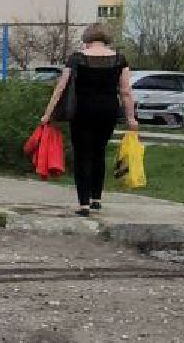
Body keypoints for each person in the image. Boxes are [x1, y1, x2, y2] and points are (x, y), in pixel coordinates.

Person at [40, 23, 138, 217]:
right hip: (107, 110)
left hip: (81, 111)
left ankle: (83, 203)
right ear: (106, 38)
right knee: (99, 152)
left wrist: (48, 113)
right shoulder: (119, 59)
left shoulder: (76, 59)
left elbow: (61, 87)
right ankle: (97, 199)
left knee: (82, 154)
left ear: (87, 38)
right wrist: (131, 118)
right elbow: (125, 91)